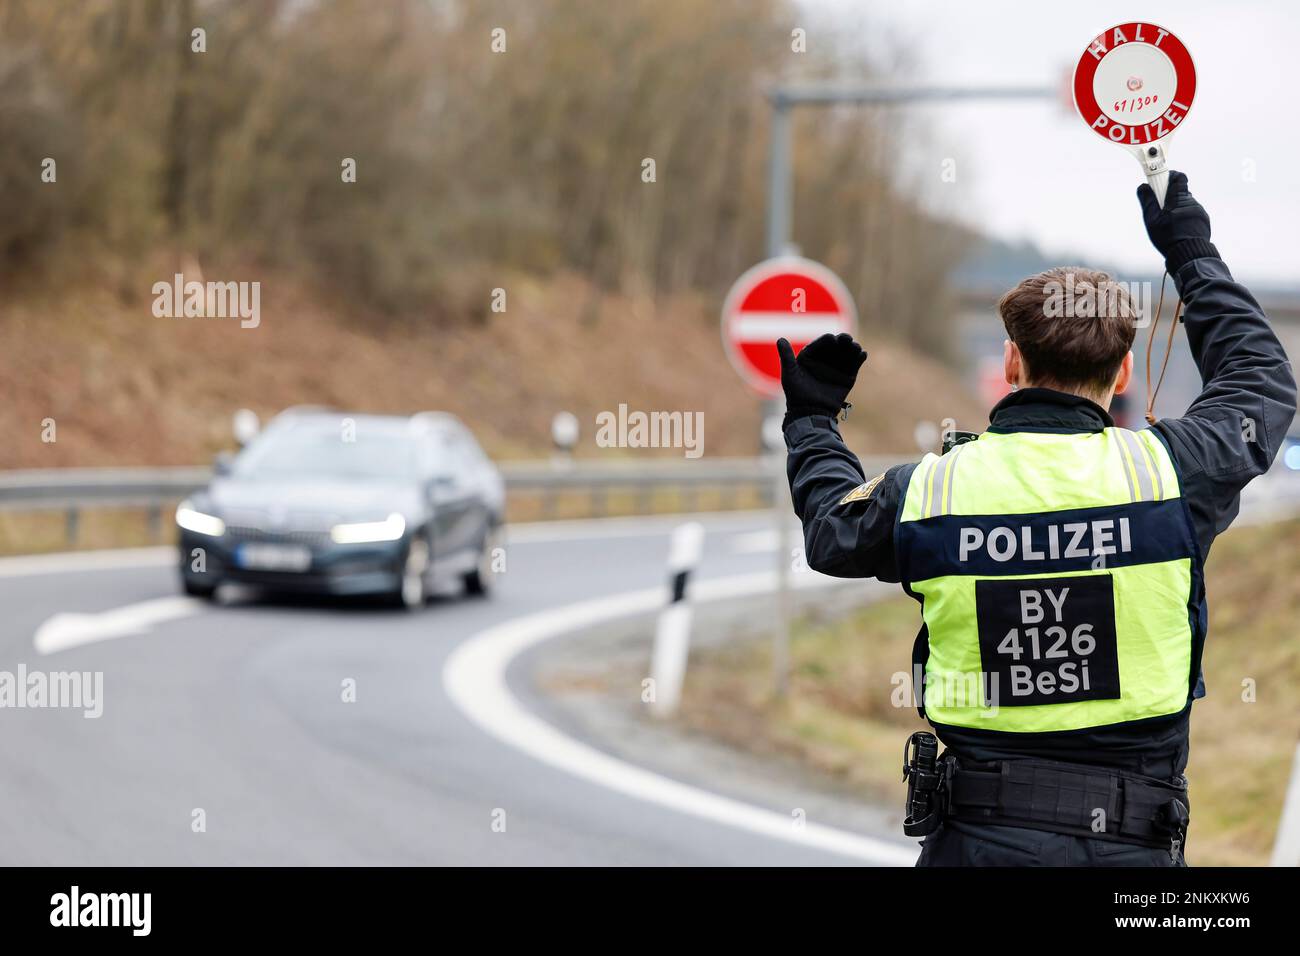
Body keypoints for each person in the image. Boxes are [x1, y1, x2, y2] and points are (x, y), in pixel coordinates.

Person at [778, 172, 1296, 866]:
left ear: (1011, 363)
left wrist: (812, 420)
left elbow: (829, 529)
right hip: (1133, 846)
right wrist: (1191, 252)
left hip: (976, 842)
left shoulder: (933, 492)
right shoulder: (1171, 475)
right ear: (1122, 376)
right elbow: (1258, 381)